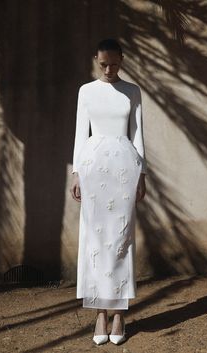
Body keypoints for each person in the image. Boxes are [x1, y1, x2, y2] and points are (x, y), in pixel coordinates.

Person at [70, 38, 147, 345]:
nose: (109, 69)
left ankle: (119, 314)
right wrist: (76, 172)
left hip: (125, 169)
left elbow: (138, 134)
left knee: (121, 239)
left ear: (122, 60)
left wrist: (142, 174)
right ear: (96, 60)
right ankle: (100, 312)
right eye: (103, 64)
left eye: (114, 64)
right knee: (95, 240)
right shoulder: (86, 92)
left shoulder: (132, 91)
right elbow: (80, 134)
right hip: (92, 168)